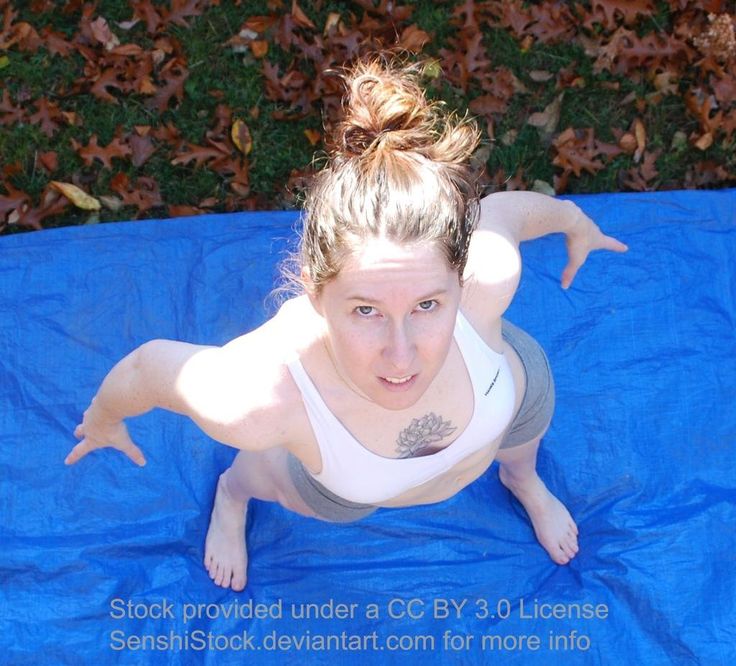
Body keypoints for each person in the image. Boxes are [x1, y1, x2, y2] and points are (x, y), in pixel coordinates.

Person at [65, 56, 627, 592]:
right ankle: (230, 499)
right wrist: (102, 417)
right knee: (257, 478)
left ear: (461, 277)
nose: (402, 358)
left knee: (523, 430)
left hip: (510, 407)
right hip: (344, 487)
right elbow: (148, 366)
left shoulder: (489, 273)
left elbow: (506, 211)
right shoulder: (260, 399)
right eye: (366, 311)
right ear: (314, 288)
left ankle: (521, 479)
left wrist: (575, 222)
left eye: (428, 305)